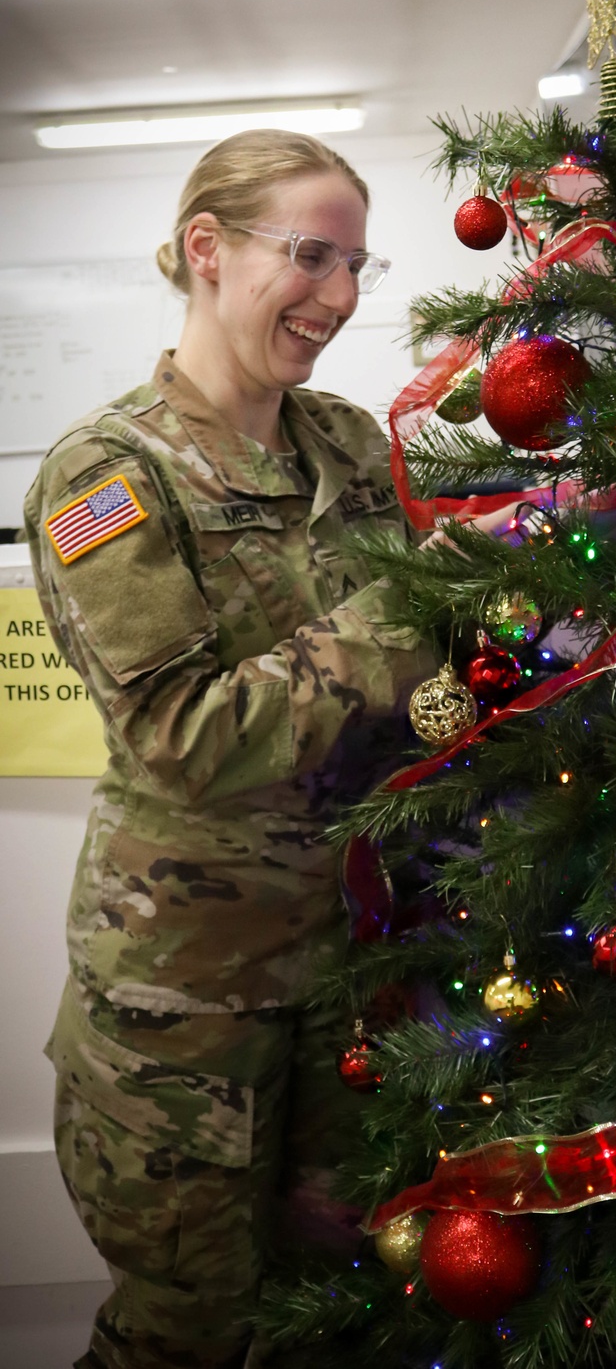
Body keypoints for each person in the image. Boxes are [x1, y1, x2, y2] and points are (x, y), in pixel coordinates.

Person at [23, 129, 439, 1369]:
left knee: (334, 1316)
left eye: (359, 264)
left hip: (355, 980)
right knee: (186, 1336)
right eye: (310, 256)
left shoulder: (355, 447)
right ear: (206, 250)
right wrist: (403, 619)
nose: (341, 299)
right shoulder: (110, 476)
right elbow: (182, 737)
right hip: (190, 1018)